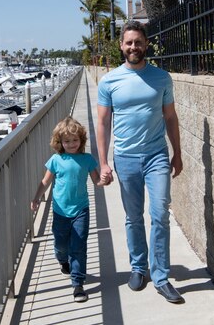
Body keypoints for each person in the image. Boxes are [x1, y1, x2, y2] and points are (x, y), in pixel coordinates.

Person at [97, 20, 184, 304]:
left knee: (159, 213)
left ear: (146, 45)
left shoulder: (162, 78)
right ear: (122, 46)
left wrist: (178, 153)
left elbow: (170, 117)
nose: (134, 47)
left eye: (138, 42)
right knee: (133, 217)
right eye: (129, 42)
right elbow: (103, 122)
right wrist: (103, 162)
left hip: (157, 155)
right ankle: (138, 267)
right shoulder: (109, 81)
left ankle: (160, 276)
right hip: (125, 158)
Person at [30, 117, 102, 303]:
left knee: (78, 246)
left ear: (81, 140)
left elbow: (97, 181)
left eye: (75, 140)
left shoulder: (87, 159)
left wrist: (105, 179)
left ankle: (77, 284)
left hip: (81, 209)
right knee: (61, 244)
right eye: (67, 141)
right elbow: (46, 182)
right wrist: (37, 197)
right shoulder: (56, 160)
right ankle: (63, 260)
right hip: (60, 210)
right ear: (59, 142)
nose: (71, 144)